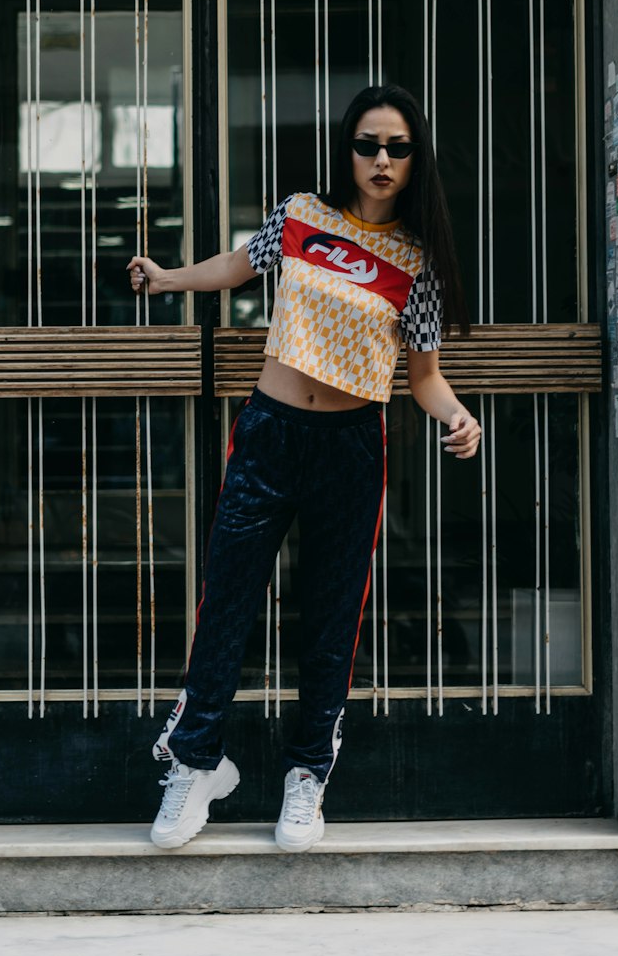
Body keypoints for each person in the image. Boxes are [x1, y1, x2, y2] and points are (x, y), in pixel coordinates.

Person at [126, 83, 480, 853]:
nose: (380, 160)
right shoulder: (301, 217)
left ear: (415, 159)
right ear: (346, 150)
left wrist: (458, 416)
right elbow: (238, 266)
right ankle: (196, 762)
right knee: (227, 601)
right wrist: (168, 278)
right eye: (367, 145)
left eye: (396, 148)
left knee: (330, 617)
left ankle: (307, 772)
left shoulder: (418, 261)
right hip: (270, 433)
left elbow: (422, 377)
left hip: (353, 443)